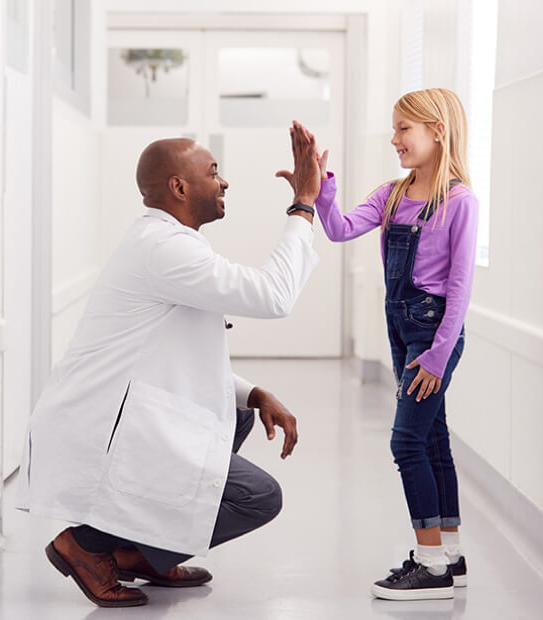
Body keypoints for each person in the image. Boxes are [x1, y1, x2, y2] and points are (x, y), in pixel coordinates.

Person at [16, 123, 323, 608]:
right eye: (214, 172)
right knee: (259, 497)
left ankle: (136, 551)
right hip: (103, 425)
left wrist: (254, 394)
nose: (224, 182)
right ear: (180, 188)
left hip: (127, 410)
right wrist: (304, 202)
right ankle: (87, 543)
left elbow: (182, 357)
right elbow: (273, 294)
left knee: (234, 414)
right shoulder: (165, 249)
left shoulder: (171, 243)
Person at [306, 88, 477, 600]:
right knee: (432, 441)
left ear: (437, 131)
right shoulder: (392, 195)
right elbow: (338, 230)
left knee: (406, 443)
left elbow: (460, 289)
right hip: (402, 328)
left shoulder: (459, 201)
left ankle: (429, 566)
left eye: (405, 128)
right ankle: (450, 554)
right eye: (395, 128)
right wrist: (320, 188)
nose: (395, 138)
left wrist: (437, 355)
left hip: (433, 337)